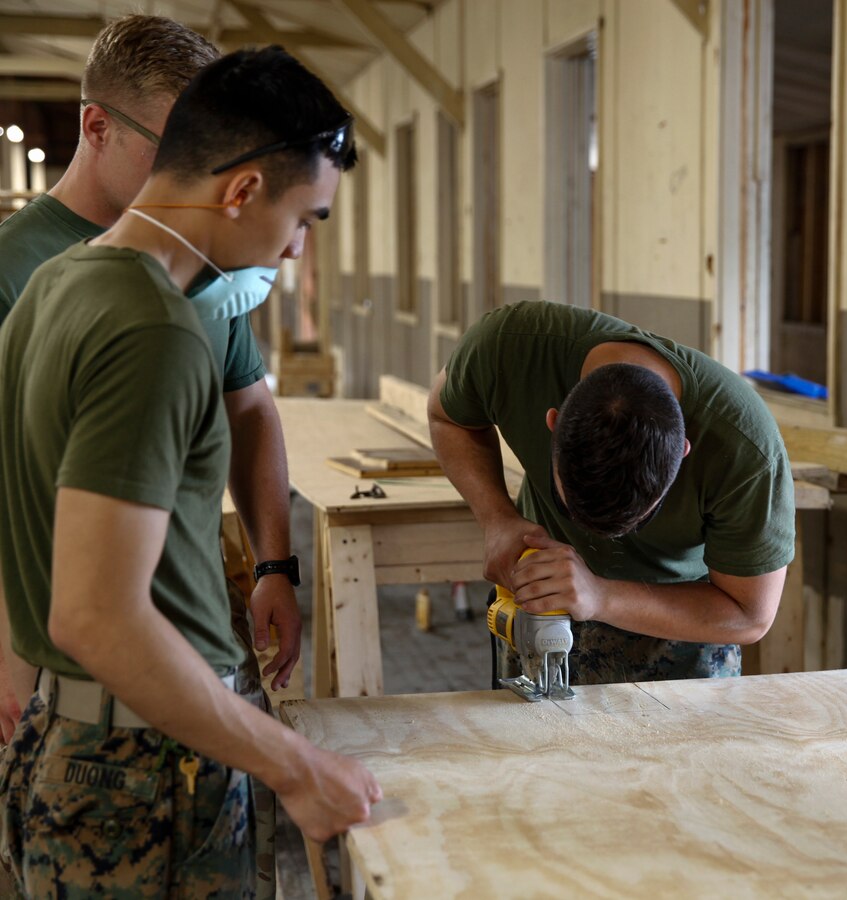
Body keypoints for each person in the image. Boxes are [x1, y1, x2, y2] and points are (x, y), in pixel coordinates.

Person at [0, 44, 381, 896]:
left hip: (80, 747)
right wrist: (295, 766)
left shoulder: (59, 283)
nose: (293, 254)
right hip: (141, 771)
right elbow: (97, 615)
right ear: (241, 190)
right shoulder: (152, 330)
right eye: (304, 220)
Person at [428, 301, 794, 684]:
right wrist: (497, 519)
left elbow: (748, 615)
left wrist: (602, 597)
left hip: (679, 632)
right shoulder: (511, 349)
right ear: (553, 423)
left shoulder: (746, 450)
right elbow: (447, 416)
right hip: (541, 610)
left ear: (683, 450)